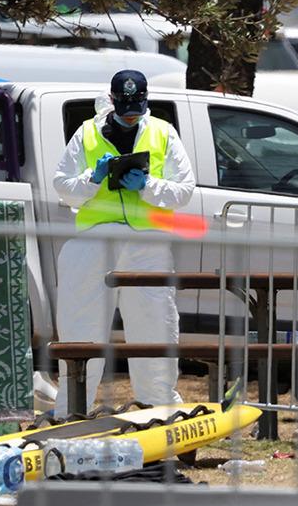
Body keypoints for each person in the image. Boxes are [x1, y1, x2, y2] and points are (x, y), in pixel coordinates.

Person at [52, 69, 196, 417]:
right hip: (93, 242)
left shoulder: (163, 132)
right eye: (126, 105)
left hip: (147, 244)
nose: (132, 112)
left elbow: (184, 190)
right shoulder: (87, 133)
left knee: (154, 323)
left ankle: (158, 407)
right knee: (81, 327)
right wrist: (93, 178)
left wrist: (147, 185)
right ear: (113, 100)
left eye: (138, 105)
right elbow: (61, 185)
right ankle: (71, 410)